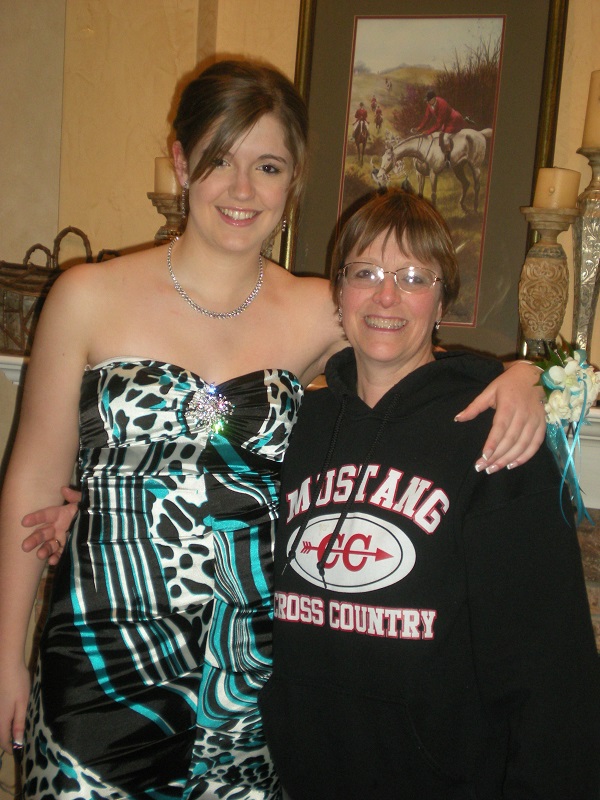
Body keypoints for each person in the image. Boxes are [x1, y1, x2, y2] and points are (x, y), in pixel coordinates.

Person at [0, 60, 545, 799]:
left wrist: (520, 376)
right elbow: (32, 479)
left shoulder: (321, 308)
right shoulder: (86, 297)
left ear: (294, 182)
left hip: (247, 678)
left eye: (268, 166)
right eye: (220, 159)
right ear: (182, 160)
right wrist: (6, 654)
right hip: (100, 655)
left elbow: (414, 344)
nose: (243, 190)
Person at [259, 190, 600, 799]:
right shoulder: (294, 425)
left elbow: (551, 670)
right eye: (365, 273)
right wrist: (103, 493)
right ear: (337, 293)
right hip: (300, 777)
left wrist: (530, 372)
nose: (386, 296)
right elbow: (199, 430)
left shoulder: (498, 433)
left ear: (443, 298)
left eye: (414, 277)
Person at [412, 89, 471, 167]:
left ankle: (447, 160)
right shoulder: (430, 104)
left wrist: (428, 132)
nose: (427, 102)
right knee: (439, 135)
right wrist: (419, 128)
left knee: (445, 138)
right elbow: (427, 117)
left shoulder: (442, 104)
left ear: (433, 99)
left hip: (453, 121)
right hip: (445, 121)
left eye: (428, 100)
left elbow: (439, 124)